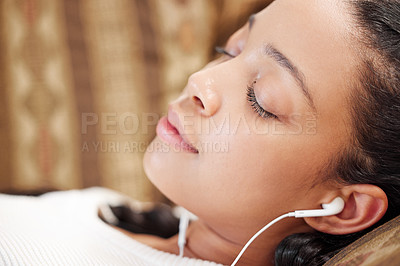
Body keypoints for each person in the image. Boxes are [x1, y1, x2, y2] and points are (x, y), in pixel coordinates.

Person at [0, 0, 399, 265]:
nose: (199, 81)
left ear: (344, 208)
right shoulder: (111, 211)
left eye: (260, 99)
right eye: (233, 49)